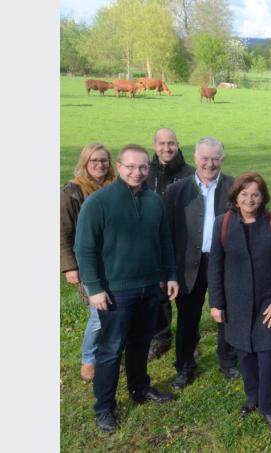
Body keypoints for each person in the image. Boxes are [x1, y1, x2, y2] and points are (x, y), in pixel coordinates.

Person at [74, 144, 178, 433]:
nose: (137, 172)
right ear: (118, 167)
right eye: (130, 166)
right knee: (109, 350)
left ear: (149, 169)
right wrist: (94, 288)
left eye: (143, 167)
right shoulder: (99, 202)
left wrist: (170, 274)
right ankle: (104, 407)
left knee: (140, 343)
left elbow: (165, 241)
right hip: (116, 291)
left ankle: (140, 388)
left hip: (149, 288)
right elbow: (84, 248)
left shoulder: (154, 201)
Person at [208, 172, 271, 432]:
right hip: (236, 304)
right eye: (244, 194)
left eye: (255, 194)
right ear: (235, 196)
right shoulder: (222, 223)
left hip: (268, 304)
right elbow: (215, 267)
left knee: (267, 355)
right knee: (244, 354)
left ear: (263, 197)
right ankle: (252, 396)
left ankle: (268, 407)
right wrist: (216, 303)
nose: (249, 199)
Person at [164, 136, 239, 389]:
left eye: (215, 158)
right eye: (205, 158)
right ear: (195, 159)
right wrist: (170, 272)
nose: (210, 164)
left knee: (225, 314)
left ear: (223, 159)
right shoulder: (176, 191)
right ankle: (184, 367)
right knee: (187, 318)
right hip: (188, 264)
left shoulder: (234, 187)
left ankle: (228, 362)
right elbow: (168, 234)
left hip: (224, 264)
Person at [60, 143, 116, 382]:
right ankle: (89, 360)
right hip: (88, 263)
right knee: (97, 315)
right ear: (84, 163)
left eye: (103, 160)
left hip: (114, 261)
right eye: (94, 160)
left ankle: (109, 353)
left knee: (113, 310)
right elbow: (63, 232)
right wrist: (69, 266)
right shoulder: (72, 192)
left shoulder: (116, 188)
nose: (99, 164)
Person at [146, 128, 195, 361]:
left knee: (186, 295)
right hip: (153, 245)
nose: (167, 148)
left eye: (171, 143)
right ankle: (162, 337)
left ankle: (189, 338)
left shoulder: (190, 174)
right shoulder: (145, 172)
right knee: (159, 294)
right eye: (162, 143)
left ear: (178, 145)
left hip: (183, 244)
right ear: (154, 146)